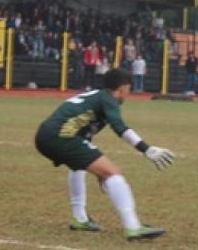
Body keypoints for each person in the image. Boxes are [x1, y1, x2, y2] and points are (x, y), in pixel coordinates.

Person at [34, 68, 175, 240]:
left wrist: (95, 168)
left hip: (45, 136)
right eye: (128, 88)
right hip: (62, 136)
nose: (128, 93)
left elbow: (83, 132)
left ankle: (80, 218)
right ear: (122, 87)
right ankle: (133, 226)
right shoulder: (109, 99)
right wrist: (146, 149)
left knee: (79, 167)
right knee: (113, 173)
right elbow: (119, 127)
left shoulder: (95, 96)